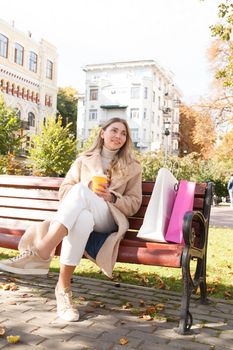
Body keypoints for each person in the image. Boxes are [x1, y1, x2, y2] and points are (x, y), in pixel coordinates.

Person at [0, 117, 142, 322]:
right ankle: (63, 290)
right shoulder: (83, 159)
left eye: (123, 133)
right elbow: (65, 191)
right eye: (114, 131)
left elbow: (135, 202)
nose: (118, 136)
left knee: (81, 192)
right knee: (82, 217)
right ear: (102, 133)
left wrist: (111, 197)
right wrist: (87, 188)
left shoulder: (133, 166)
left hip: (109, 217)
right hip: (82, 215)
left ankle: (41, 251)